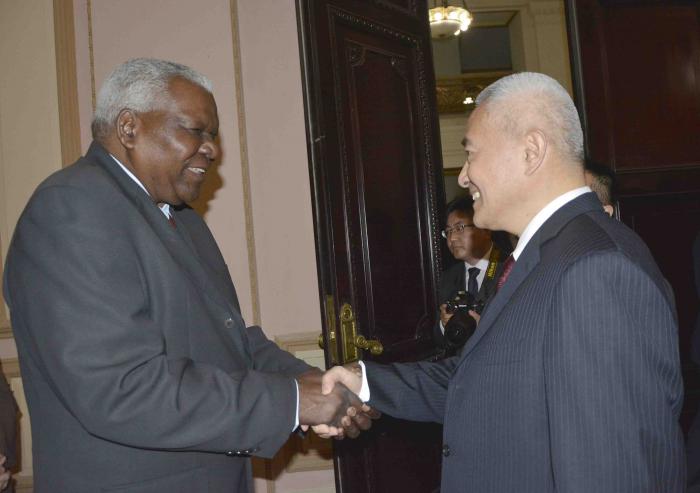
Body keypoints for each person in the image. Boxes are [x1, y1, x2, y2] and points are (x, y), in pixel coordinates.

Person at [2, 58, 371, 492]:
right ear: (128, 128)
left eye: (212, 135)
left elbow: (230, 340)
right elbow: (122, 388)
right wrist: (292, 402)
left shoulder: (181, 218)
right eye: (196, 131)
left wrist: (318, 384)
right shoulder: (71, 209)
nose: (212, 149)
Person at [322, 72, 685, 492]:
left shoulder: (596, 270)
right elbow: (478, 380)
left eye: (471, 153)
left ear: (531, 151)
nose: (462, 176)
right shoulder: (541, 255)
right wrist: (364, 380)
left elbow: (612, 474)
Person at [434, 196, 505, 355]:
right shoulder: (448, 278)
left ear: (485, 229)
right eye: (448, 231)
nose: (452, 238)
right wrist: (444, 325)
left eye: (459, 228)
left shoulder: (510, 268)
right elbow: (437, 340)